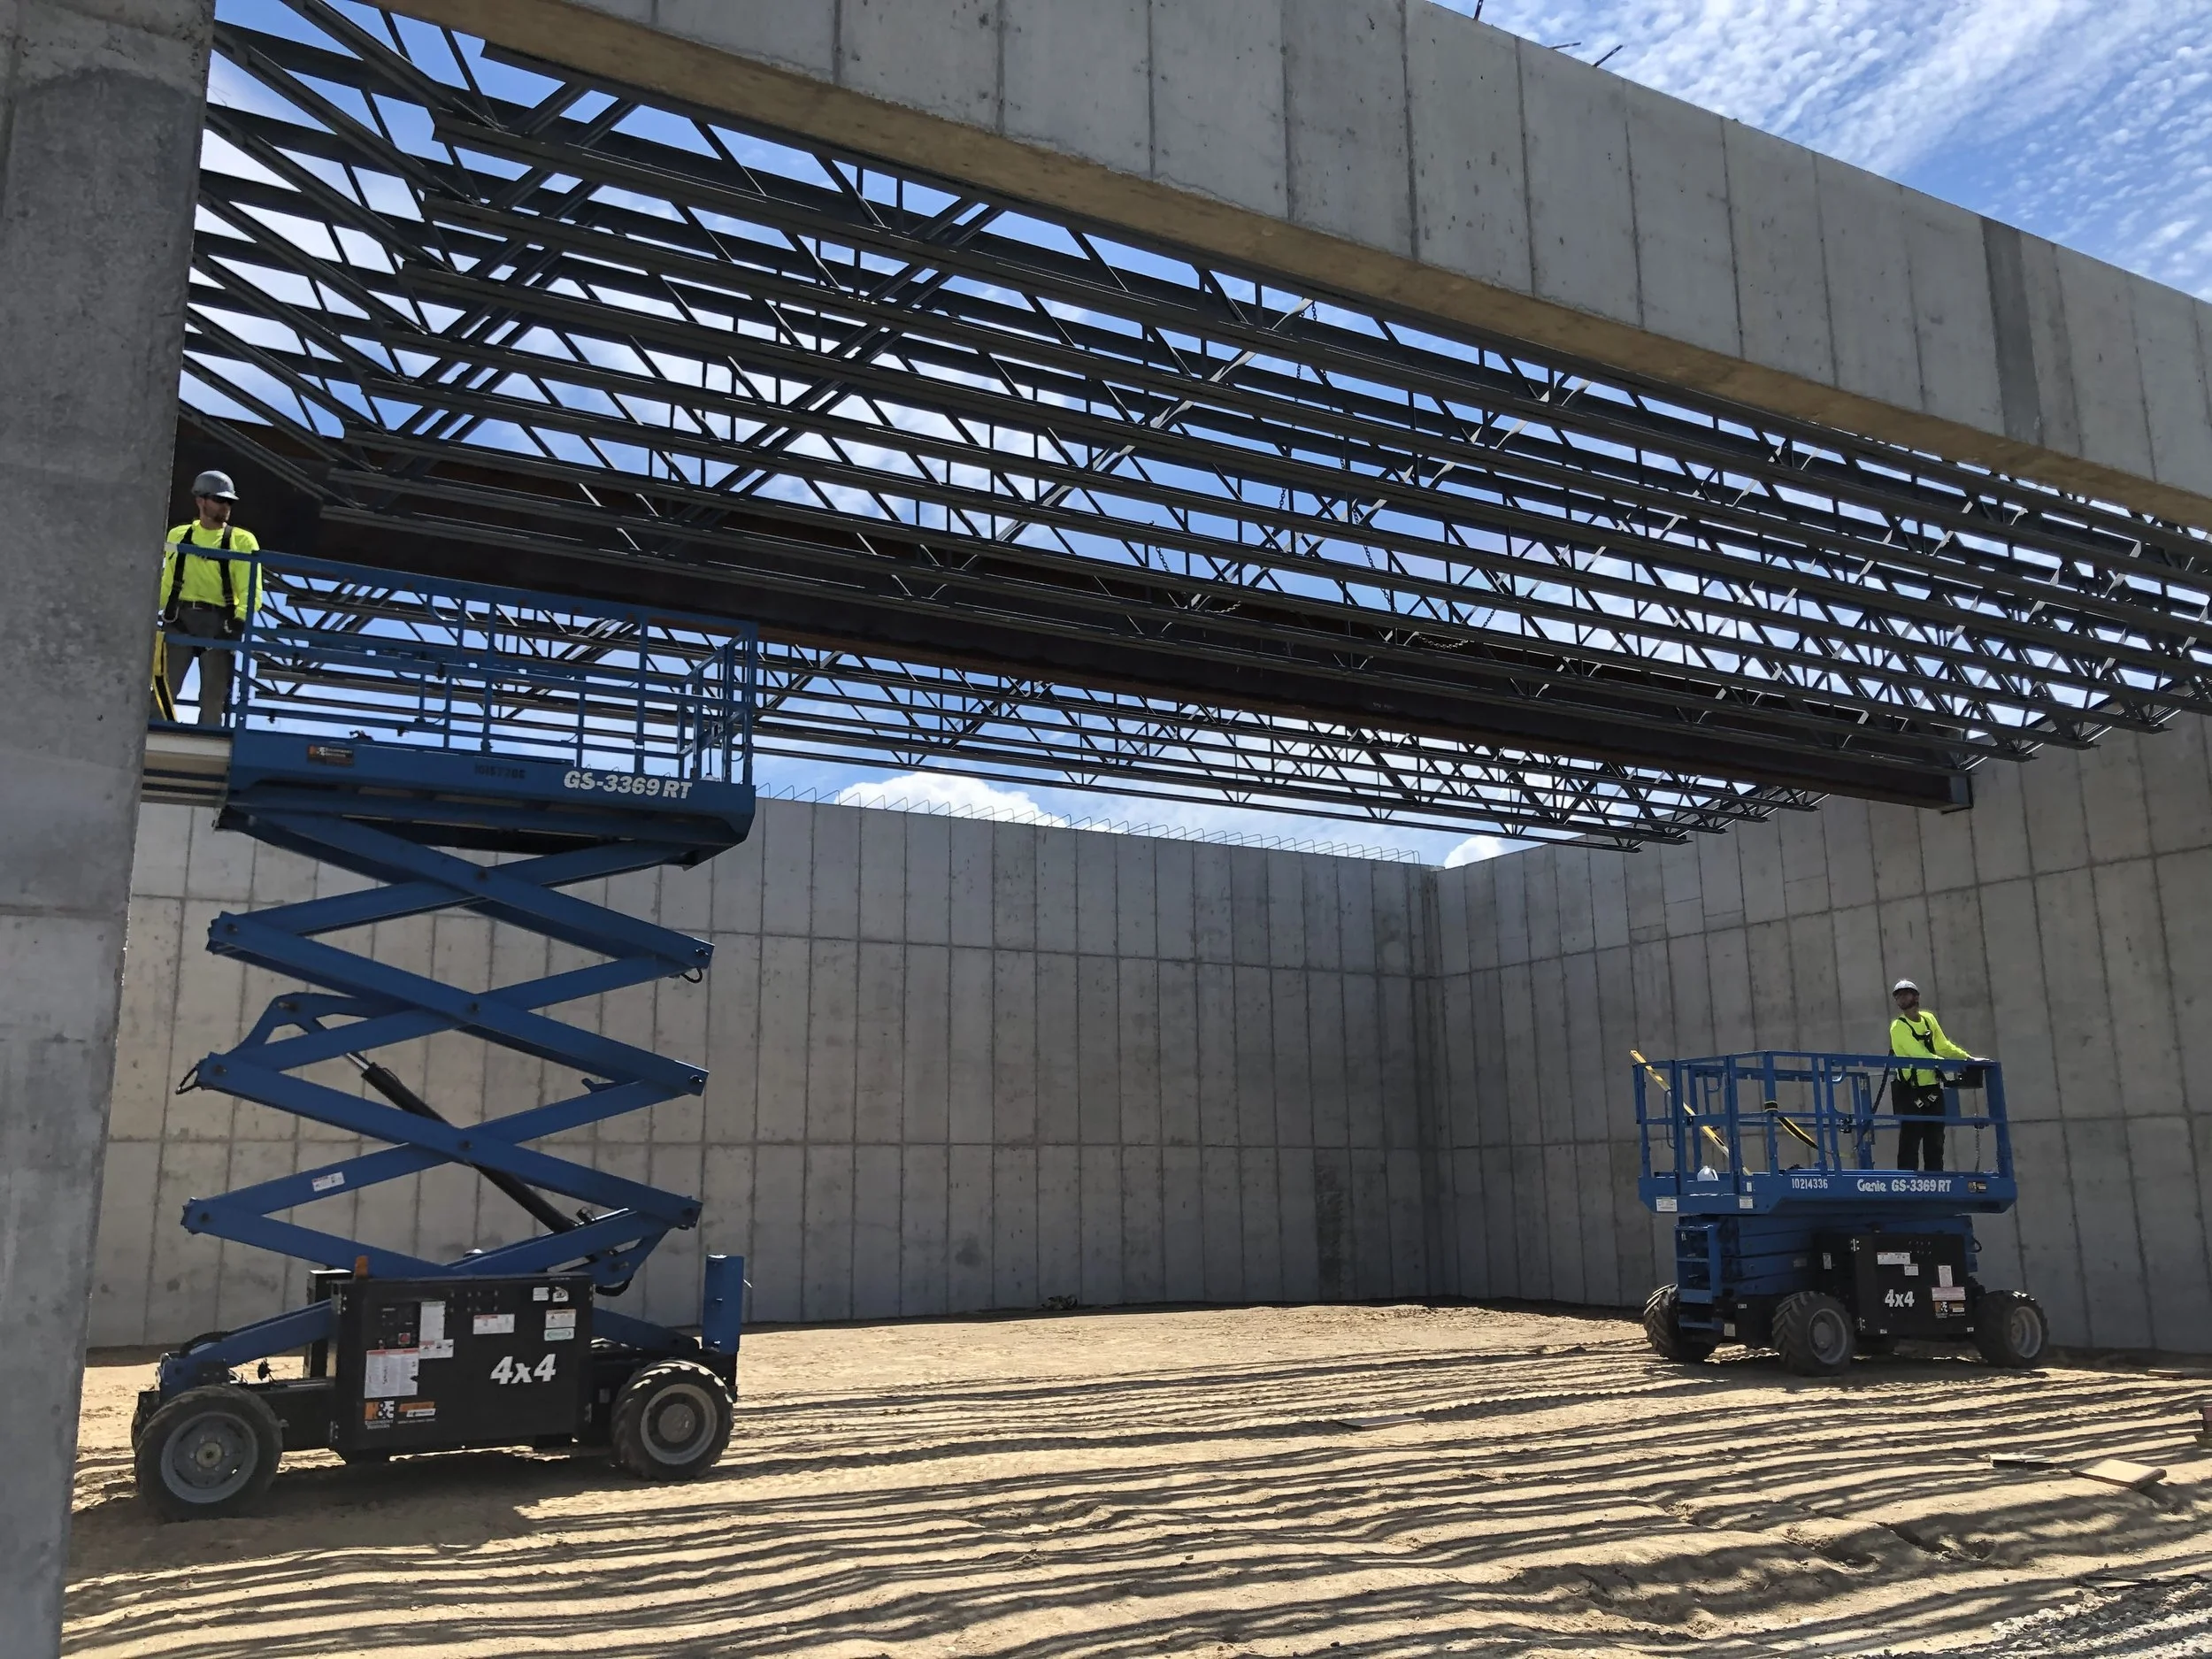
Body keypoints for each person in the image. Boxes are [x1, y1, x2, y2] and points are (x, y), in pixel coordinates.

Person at [157, 471, 260, 726]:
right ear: (200, 500)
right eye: (219, 500)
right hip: (180, 620)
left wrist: (238, 621)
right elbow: (167, 582)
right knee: (163, 690)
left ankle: (207, 738)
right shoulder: (177, 536)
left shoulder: (242, 540)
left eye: (229, 502)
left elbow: (251, 589)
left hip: (220, 626)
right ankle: (154, 732)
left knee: (214, 697)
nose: (226, 506)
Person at [1887, 979, 1977, 1171]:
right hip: (1910, 1091)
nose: (1901, 998)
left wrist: (1967, 1058)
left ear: (1916, 997)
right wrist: (1947, 1064)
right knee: (1910, 1138)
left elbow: (1943, 1045)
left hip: (1931, 1089)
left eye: (1906, 994)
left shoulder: (1928, 1019)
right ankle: (1907, 1180)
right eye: (1898, 996)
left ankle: (1935, 1179)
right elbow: (1919, 1054)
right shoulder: (1898, 1027)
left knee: (1935, 1137)